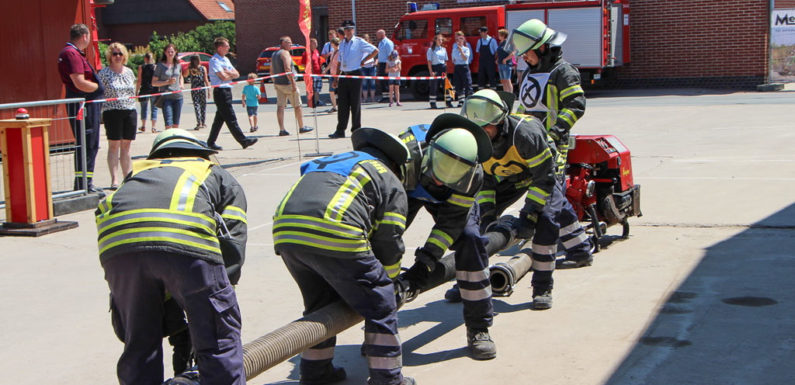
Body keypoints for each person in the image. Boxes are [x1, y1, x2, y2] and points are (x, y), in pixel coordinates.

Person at [97, 128, 248, 385]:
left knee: (140, 344)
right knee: (218, 341)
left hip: (118, 250)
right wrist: (211, 300)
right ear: (199, 151)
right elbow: (231, 243)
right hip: (186, 245)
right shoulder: (213, 172)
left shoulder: (136, 174)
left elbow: (148, 257)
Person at [273, 127, 416, 385]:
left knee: (320, 305)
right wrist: (390, 283)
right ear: (396, 165)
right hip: (335, 230)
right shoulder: (388, 177)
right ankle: (388, 379)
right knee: (380, 302)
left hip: (286, 233)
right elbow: (389, 242)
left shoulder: (331, 161)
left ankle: (317, 374)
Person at [459, 89, 591, 309]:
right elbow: (485, 182)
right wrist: (489, 213)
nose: (480, 133)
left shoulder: (525, 133)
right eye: (475, 128)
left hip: (545, 171)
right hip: (511, 175)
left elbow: (543, 179)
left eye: (485, 127)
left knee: (547, 218)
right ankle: (470, 280)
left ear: (500, 122)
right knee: (475, 222)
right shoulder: (476, 142)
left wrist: (529, 215)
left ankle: (542, 287)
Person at [397, 113, 497, 360]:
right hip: (410, 186)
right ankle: (380, 329)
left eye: (452, 174)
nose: (442, 181)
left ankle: (479, 327)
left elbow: (450, 224)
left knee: (470, 241)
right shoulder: (403, 155)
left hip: (449, 199)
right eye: (442, 171)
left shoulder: (472, 175)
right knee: (384, 242)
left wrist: (426, 262)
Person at [512, 19, 593, 268]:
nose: (524, 58)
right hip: (530, 145)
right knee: (555, 196)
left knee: (549, 197)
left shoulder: (563, 71)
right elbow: (525, 107)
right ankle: (580, 248)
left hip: (553, 145)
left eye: (528, 53)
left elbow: (576, 106)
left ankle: (578, 250)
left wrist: (556, 132)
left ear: (544, 48)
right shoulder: (530, 71)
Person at [57, 23, 104, 193]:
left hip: (84, 104)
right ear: (84, 36)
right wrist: (98, 88)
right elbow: (79, 82)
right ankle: (84, 184)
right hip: (83, 105)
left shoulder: (71, 53)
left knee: (89, 144)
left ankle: (84, 182)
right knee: (87, 144)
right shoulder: (71, 54)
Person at [96, 42, 137, 190]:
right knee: (114, 146)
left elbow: (133, 91)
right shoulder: (104, 73)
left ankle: (128, 177)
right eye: (115, 54)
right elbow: (99, 93)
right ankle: (114, 179)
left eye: (120, 53)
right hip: (112, 112)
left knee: (126, 146)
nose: (118, 56)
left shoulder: (129, 72)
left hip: (130, 110)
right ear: (110, 56)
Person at [328, 20, 378, 139]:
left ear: (353, 30)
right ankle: (340, 130)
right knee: (342, 104)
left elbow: (375, 50)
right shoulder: (342, 44)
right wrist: (336, 78)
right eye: (346, 29)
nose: (348, 32)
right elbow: (340, 62)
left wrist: (364, 61)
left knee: (355, 104)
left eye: (350, 29)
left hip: (355, 74)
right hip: (344, 75)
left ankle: (356, 130)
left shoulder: (359, 42)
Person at [207, 37, 258, 150]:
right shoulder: (214, 60)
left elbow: (237, 74)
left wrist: (230, 73)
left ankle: (210, 142)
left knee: (219, 119)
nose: (229, 48)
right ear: (220, 48)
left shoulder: (225, 59)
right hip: (220, 91)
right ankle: (243, 141)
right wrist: (230, 74)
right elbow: (223, 77)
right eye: (226, 46)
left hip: (227, 90)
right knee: (231, 117)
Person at [271, 35, 314, 137]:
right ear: (283, 43)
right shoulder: (285, 53)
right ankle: (301, 127)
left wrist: (274, 82)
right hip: (288, 84)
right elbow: (287, 69)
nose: (291, 44)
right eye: (289, 42)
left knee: (280, 106)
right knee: (297, 106)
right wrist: (293, 83)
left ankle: (282, 129)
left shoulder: (274, 54)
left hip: (278, 84)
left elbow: (271, 70)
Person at [152, 44, 184, 130]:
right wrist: (167, 82)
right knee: (168, 124)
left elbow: (180, 76)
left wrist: (181, 85)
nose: (170, 53)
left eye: (172, 51)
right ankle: (169, 141)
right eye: (168, 51)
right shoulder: (160, 66)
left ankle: (175, 141)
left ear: (175, 52)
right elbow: (154, 82)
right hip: (166, 97)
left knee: (176, 124)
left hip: (178, 97)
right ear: (165, 53)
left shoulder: (178, 64)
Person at [426, 33, 453, 109]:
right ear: (435, 40)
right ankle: (433, 103)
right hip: (435, 68)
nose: (440, 41)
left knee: (446, 85)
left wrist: (445, 70)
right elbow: (429, 61)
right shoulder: (431, 50)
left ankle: (448, 102)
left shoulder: (443, 49)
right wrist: (431, 71)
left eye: (441, 40)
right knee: (434, 86)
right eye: (439, 40)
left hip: (443, 68)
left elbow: (445, 60)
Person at [185, 54, 210, 130]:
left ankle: (199, 122)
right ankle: (202, 122)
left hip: (195, 89)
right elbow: (206, 80)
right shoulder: (202, 68)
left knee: (197, 105)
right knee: (202, 105)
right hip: (201, 88)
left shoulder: (191, 69)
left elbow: (185, 75)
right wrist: (209, 90)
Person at [136, 52, 158, 133]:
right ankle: (153, 127)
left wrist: (137, 90)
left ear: (145, 58)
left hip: (144, 89)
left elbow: (139, 80)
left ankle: (143, 125)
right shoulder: (155, 67)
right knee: (154, 108)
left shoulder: (141, 67)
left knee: (144, 108)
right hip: (154, 90)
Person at [452, 31, 473, 108]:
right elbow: (454, 59)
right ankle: (461, 101)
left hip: (464, 67)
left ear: (463, 40)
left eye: (461, 39)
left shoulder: (466, 49)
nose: (459, 41)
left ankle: (469, 101)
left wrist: (461, 51)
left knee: (467, 83)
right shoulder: (454, 49)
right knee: (458, 84)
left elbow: (465, 58)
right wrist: (458, 56)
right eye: (457, 40)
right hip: (457, 67)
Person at [476, 26, 498, 91]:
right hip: (482, 61)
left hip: (490, 61)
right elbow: (478, 51)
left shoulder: (492, 40)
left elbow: (496, 51)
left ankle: (493, 91)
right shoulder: (479, 41)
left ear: (486, 32)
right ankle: (481, 91)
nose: (480, 34)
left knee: (491, 76)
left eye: (481, 32)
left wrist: (494, 59)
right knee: (481, 76)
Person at [323, 38, 341, 113]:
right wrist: (325, 70)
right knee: (331, 91)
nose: (331, 45)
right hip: (332, 74)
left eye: (332, 44)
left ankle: (342, 106)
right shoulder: (333, 52)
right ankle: (334, 106)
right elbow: (331, 63)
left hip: (339, 74)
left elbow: (340, 64)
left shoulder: (340, 52)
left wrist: (339, 74)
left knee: (340, 91)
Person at [376, 29, 395, 101]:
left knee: (387, 80)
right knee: (382, 81)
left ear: (382, 34)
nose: (377, 36)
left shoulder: (388, 43)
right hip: (381, 64)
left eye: (378, 35)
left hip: (386, 63)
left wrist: (389, 65)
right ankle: (384, 97)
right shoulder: (380, 43)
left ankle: (390, 97)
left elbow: (390, 55)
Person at [305, 38, 324, 107]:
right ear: (310, 44)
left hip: (318, 73)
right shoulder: (307, 53)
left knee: (317, 89)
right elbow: (304, 64)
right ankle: (309, 102)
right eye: (314, 43)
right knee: (310, 89)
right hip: (310, 74)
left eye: (316, 43)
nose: (316, 44)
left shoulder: (316, 51)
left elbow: (319, 62)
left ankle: (316, 101)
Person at [496, 29, 515, 94]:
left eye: (499, 34)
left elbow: (512, 53)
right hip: (500, 63)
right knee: (503, 80)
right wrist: (498, 59)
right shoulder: (500, 43)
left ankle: (510, 93)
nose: (498, 36)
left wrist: (506, 59)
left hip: (506, 64)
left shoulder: (507, 43)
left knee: (507, 79)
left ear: (503, 35)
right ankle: (506, 93)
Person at [360, 33, 378, 104]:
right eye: (364, 39)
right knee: (364, 83)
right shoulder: (360, 48)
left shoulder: (372, 47)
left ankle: (373, 98)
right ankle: (365, 98)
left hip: (371, 67)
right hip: (363, 67)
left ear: (368, 40)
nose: (365, 40)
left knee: (372, 83)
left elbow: (377, 57)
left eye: (366, 39)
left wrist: (376, 63)